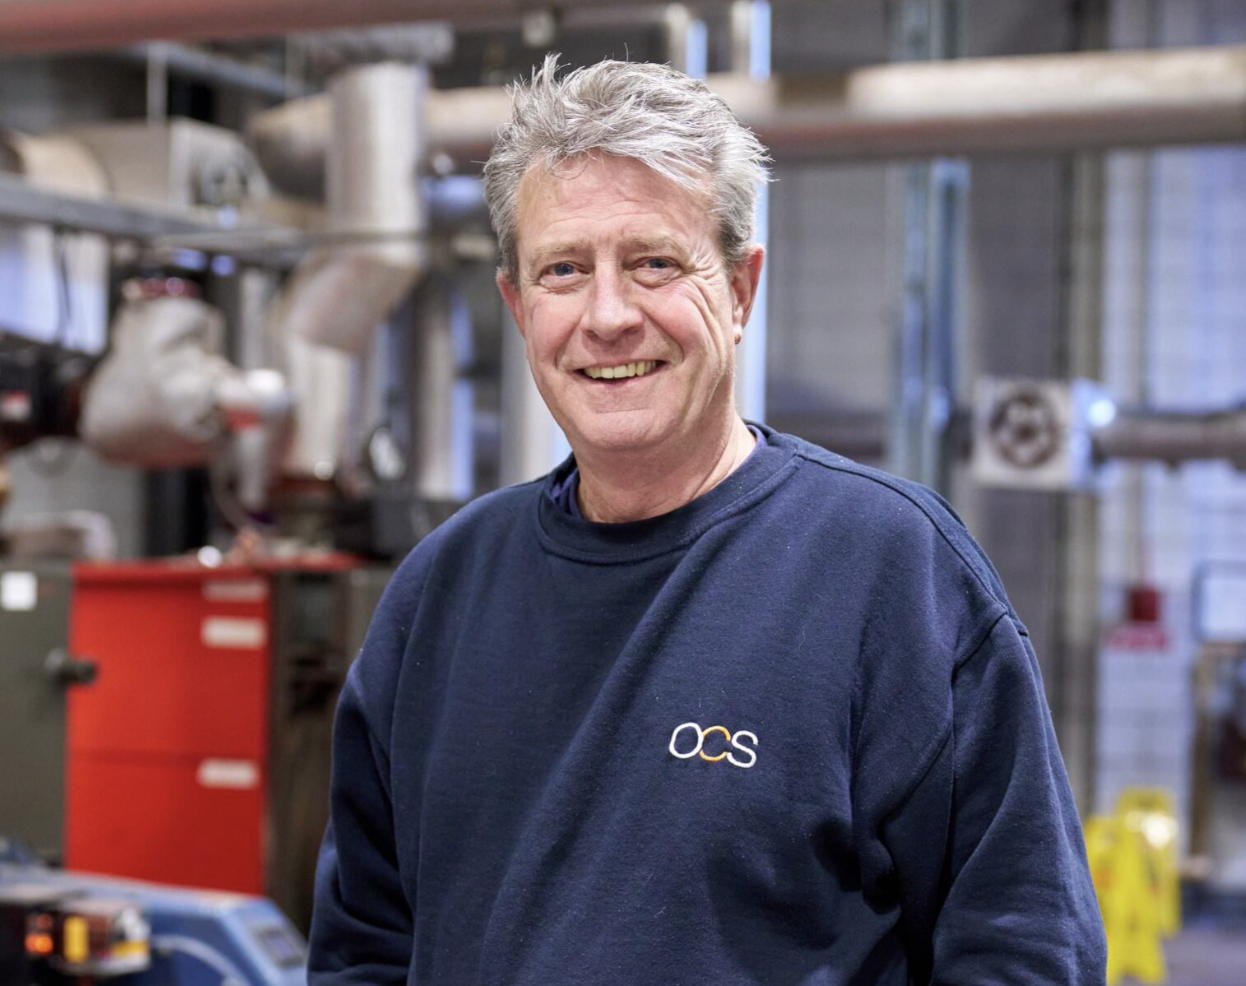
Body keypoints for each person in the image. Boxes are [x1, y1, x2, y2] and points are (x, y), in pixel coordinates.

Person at [308, 55, 1107, 985]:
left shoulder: (892, 573)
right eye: (565, 269)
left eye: (654, 263)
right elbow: (363, 948)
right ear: (518, 307)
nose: (608, 315)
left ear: (739, 290)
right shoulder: (439, 593)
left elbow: (1023, 946)